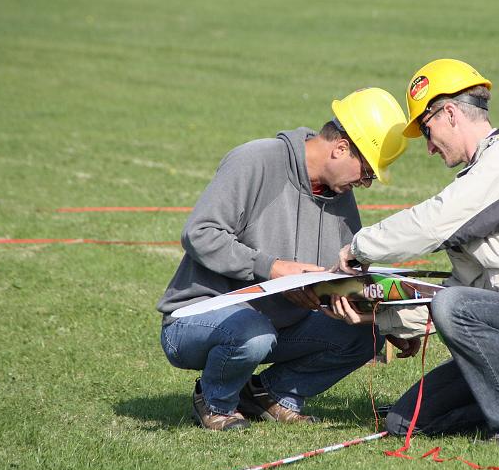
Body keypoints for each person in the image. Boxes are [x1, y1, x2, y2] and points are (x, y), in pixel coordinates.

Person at [334, 59, 499, 445]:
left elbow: (432, 225)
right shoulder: (481, 178)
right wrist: (378, 317)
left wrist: (361, 247)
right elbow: (459, 290)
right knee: (403, 421)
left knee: (454, 306)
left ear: (449, 113)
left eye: (426, 131)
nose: (429, 147)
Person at [157, 87, 408, 431]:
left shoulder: (339, 193)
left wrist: (389, 319)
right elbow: (199, 233)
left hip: (278, 327)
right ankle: (215, 400)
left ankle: (272, 394)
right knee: (253, 333)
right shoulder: (255, 160)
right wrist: (271, 268)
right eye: (367, 172)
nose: (366, 184)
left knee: (369, 333)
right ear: (340, 148)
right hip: (195, 317)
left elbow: (344, 275)